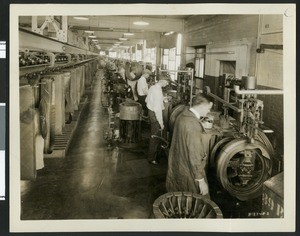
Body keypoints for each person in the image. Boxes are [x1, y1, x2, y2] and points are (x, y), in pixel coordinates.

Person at [165, 93, 213, 197]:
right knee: (198, 201)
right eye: (209, 108)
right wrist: (200, 180)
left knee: (179, 198)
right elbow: (195, 154)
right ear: (202, 106)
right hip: (189, 171)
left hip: (178, 164)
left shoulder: (183, 116)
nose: (209, 111)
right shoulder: (192, 125)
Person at [145, 78, 170, 165]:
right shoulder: (157, 92)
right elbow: (158, 110)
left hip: (150, 111)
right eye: (166, 82)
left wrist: (162, 99)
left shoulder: (153, 87)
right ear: (162, 81)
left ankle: (153, 155)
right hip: (155, 115)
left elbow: (146, 100)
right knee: (155, 137)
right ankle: (151, 158)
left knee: (154, 135)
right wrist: (161, 123)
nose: (166, 84)